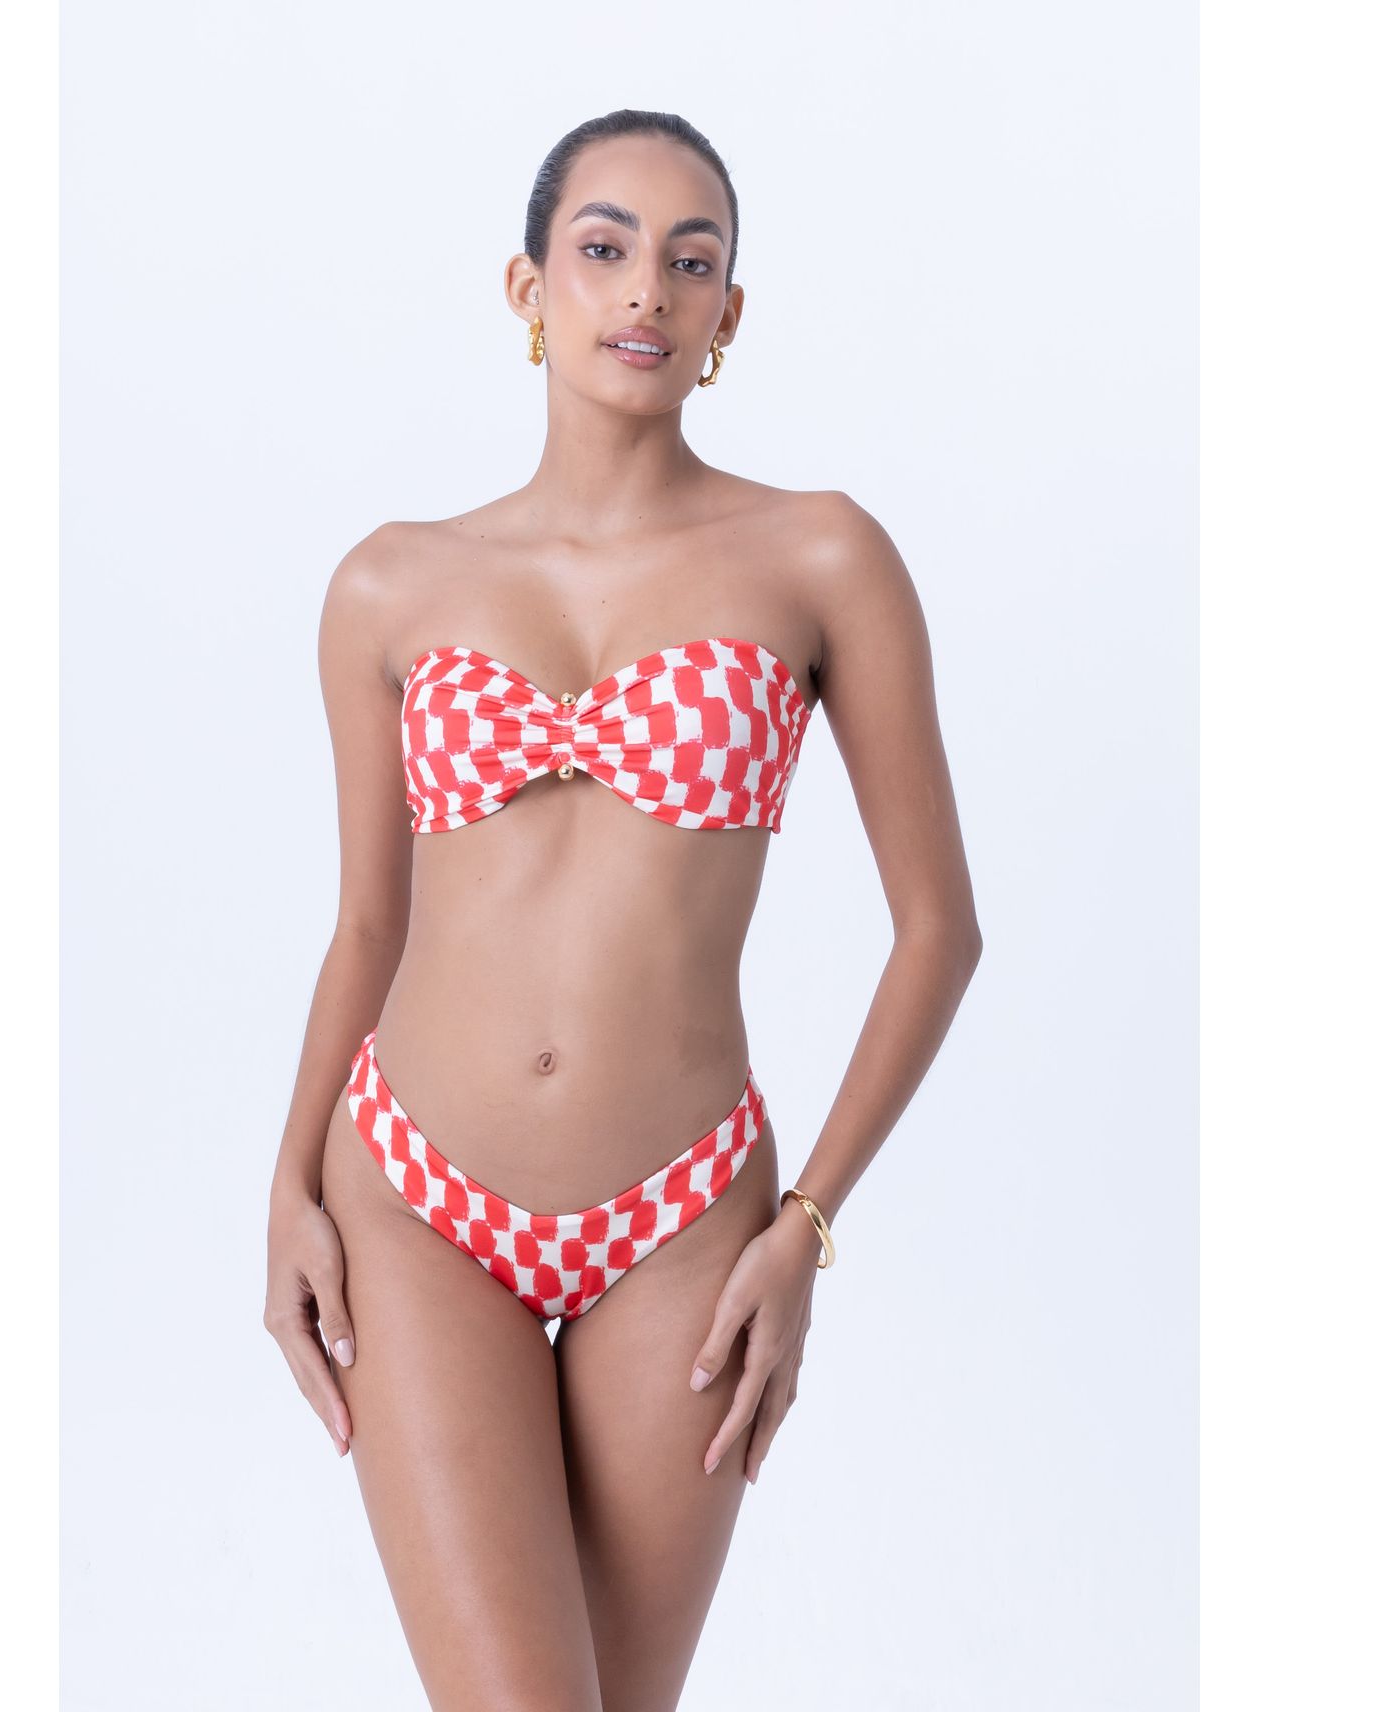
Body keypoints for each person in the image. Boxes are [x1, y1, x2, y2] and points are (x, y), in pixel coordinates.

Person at [264, 107, 982, 1710]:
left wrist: (805, 1231)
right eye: (603, 249)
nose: (646, 289)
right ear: (528, 287)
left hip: (686, 1223)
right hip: (413, 1200)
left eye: (690, 260)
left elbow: (937, 929)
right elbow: (367, 926)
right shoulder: (389, 583)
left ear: (729, 314)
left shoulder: (821, 556)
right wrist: (287, 1192)